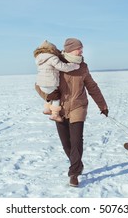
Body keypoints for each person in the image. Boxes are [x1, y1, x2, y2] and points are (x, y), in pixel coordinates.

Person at [35, 38, 108, 187]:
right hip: (59, 107)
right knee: (66, 143)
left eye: (81, 48)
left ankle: (74, 173)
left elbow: (92, 87)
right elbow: (39, 84)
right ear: (69, 50)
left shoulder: (82, 67)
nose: (81, 51)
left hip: (78, 106)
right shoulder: (56, 62)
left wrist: (103, 106)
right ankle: (78, 164)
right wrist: (49, 96)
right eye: (78, 49)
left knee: (76, 140)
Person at [34, 40, 80, 122]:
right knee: (56, 97)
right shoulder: (52, 58)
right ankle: (55, 114)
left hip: (40, 83)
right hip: (50, 83)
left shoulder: (39, 58)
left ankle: (47, 109)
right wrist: (73, 66)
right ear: (52, 49)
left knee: (51, 95)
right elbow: (62, 67)